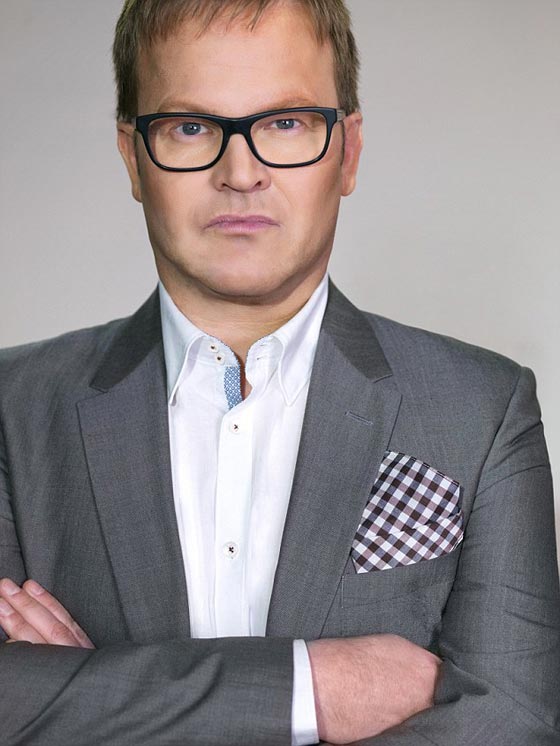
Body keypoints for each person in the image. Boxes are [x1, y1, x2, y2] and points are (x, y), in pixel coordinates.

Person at [0, 0, 559, 744]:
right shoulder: (10, 409)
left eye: (286, 123)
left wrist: (94, 699)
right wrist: (310, 688)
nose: (241, 173)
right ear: (133, 158)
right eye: (190, 128)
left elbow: (514, 724)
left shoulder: (482, 409)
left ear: (347, 152)